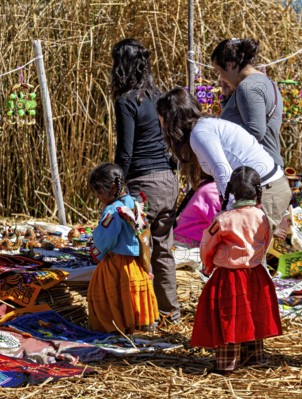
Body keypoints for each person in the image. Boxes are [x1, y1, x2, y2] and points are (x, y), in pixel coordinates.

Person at [110, 38, 180, 322]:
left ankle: (141, 314)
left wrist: (116, 185)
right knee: (163, 249)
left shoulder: (127, 101)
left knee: (135, 248)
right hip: (167, 179)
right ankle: (169, 313)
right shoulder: (159, 97)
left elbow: (125, 150)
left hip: (144, 184)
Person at [190, 166, 282, 374]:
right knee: (252, 313)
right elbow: (266, 242)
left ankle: (227, 363)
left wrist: (208, 265)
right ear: (257, 190)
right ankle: (254, 357)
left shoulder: (223, 219)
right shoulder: (262, 217)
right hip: (255, 274)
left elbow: (207, 245)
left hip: (229, 276)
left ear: (231, 190)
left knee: (230, 316)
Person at [156, 87, 287, 227]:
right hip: (265, 187)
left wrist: (229, 216)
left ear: (171, 118)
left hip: (266, 190)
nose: (161, 124)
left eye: (161, 120)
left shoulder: (200, 134)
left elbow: (223, 173)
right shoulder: (204, 127)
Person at [211, 38, 291, 222]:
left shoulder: (248, 87)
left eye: (219, 71)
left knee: (253, 246)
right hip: (265, 174)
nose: (220, 78)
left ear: (230, 64)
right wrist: (227, 98)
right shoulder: (261, 81)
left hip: (261, 179)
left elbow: (255, 131)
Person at [87, 163, 158, 334]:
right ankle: (138, 328)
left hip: (118, 265)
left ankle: (116, 327)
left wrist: (94, 249)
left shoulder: (113, 211)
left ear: (111, 187)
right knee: (132, 298)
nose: (98, 198)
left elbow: (105, 239)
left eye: (99, 193)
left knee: (110, 297)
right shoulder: (134, 202)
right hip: (136, 263)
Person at [174, 173, 221, 248]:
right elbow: (221, 225)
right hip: (188, 246)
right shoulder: (212, 189)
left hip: (183, 242)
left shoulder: (207, 185)